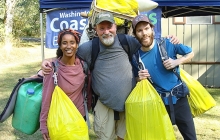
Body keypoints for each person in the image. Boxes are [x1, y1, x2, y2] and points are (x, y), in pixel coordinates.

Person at [41, 12, 180, 140]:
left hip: (128, 104)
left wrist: (167, 40)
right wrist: (48, 62)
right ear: (96, 30)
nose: (106, 31)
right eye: (102, 28)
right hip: (104, 104)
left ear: (115, 27)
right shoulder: (89, 47)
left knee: (125, 137)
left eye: (109, 27)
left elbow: (148, 42)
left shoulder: (126, 41)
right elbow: (68, 54)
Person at [131, 14, 197, 140]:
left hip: (179, 99)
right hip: (157, 104)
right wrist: (139, 78)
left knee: (191, 137)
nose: (144, 33)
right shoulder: (135, 57)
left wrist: (176, 62)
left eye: (146, 28)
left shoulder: (167, 43)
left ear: (152, 29)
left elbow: (190, 53)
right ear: (135, 34)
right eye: (139, 30)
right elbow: (134, 79)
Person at [40, 29, 87, 140]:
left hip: (79, 117)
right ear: (60, 46)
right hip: (60, 118)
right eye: (64, 43)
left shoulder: (83, 65)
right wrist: (43, 124)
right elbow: (46, 98)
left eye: (72, 42)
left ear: (77, 45)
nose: (68, 46)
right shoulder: (53, 69)